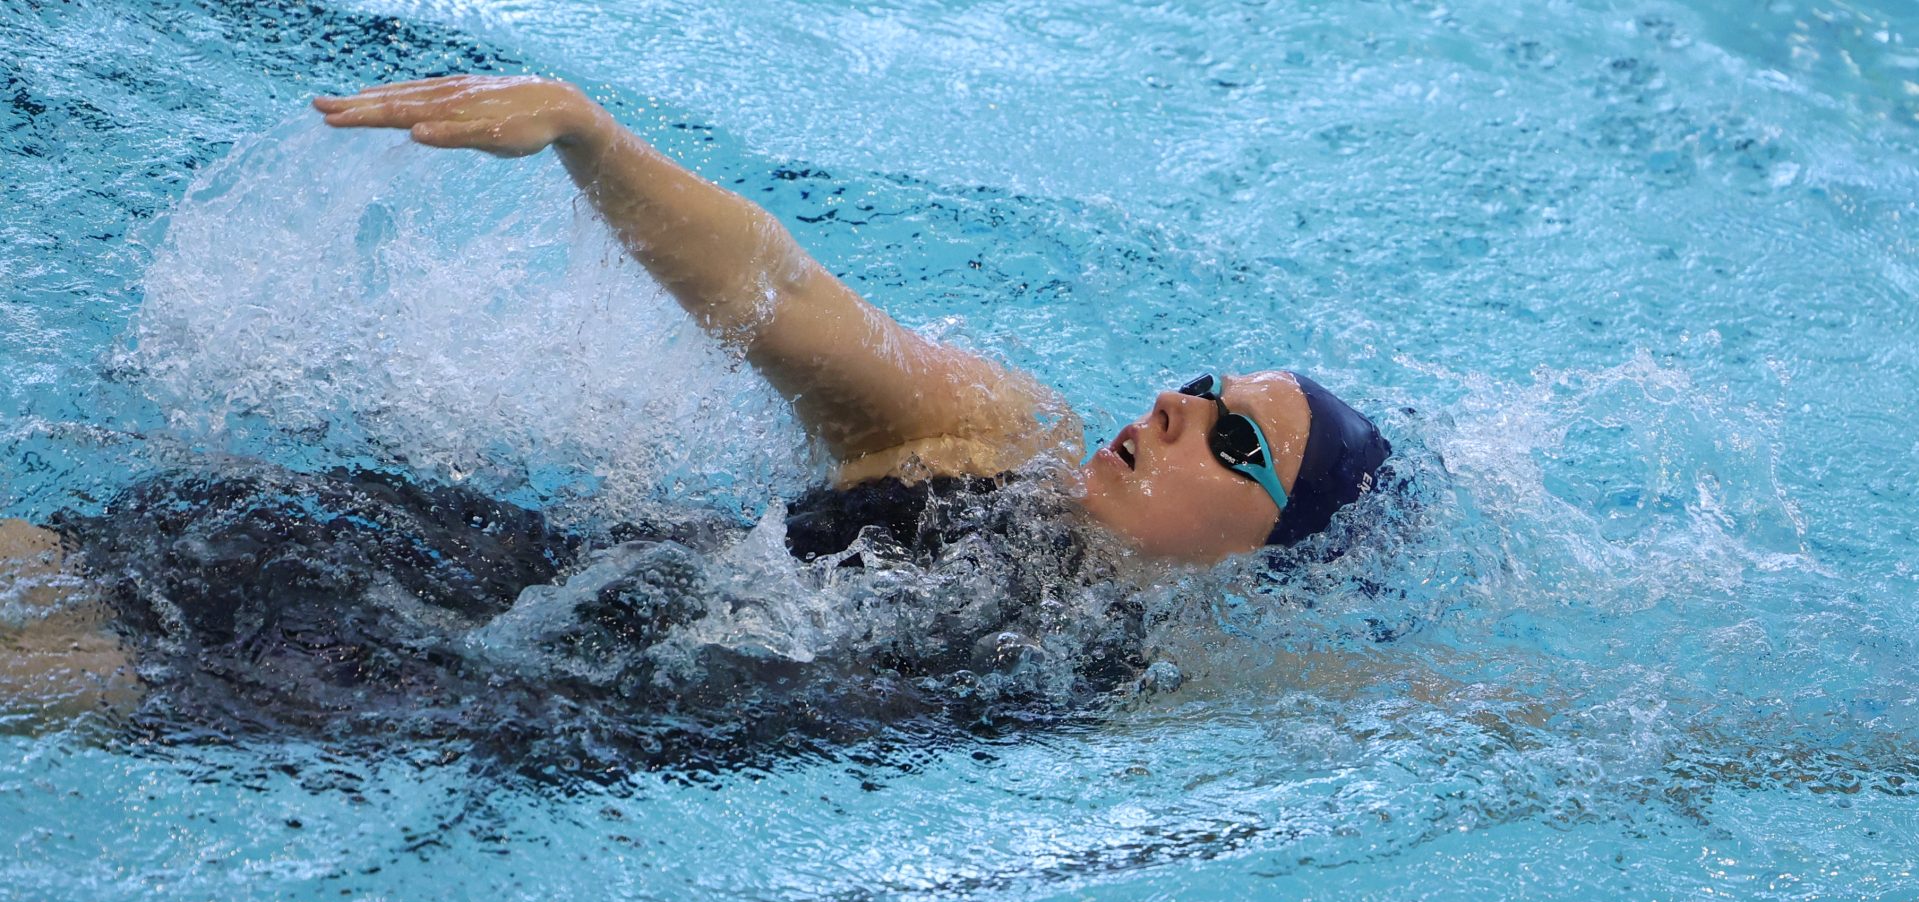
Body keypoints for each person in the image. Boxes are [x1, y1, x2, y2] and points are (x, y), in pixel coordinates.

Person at [0, 76, 1393, 759]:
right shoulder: (992, 436)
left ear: (1267, 561)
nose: (1177, 407)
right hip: (466, 577)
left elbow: (1454, 723)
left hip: (469, 692)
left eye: (1236, 443)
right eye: (1202, 386)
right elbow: (777, 291)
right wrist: (588, 137)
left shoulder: (1173, 680)